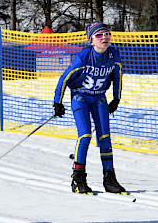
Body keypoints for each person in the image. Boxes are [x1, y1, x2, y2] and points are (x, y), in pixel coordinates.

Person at [53, 20, 126, 195]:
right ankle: (78, 178)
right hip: (81, 97)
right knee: (85, 135)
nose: (104, 38)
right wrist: (58, 102)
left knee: (105, 137)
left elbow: (118, 77)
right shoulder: (84, 56)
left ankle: (109, 178)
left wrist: (116, 98)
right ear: (91, 40)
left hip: (99, 98)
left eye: (107, 34)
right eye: (99, 35)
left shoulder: (113, 55)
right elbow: (64, 78)